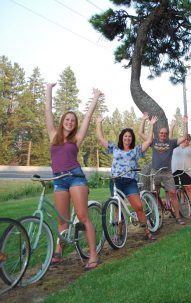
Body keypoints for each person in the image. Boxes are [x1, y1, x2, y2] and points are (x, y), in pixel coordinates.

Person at [45, 83, 101, 270]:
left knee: (82, 216)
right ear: (62, 121)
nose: (70, 122)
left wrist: (95, 98)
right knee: (62, 219)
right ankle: (59, 251)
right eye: (67, 119)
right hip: (59, 180)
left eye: (72, 120)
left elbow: (87, 118)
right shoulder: (53, 135)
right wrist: (49, 90)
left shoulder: (77, 138)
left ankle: (93, 255)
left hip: (75, 177)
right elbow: (48, 111)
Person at [96, 114, 158, 241]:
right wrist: (99, 123)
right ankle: (119, 234)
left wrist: (150, 125)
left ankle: (147, 231)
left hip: (129, 182)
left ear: (132, 139)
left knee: (138, 207)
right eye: (125, 136)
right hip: (115, 181)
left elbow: (148, 141)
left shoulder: (135, 151)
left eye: (130, 136)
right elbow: (100, 137)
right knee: (118, 207)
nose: (128, 138)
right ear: (122, 137)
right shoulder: (114, 148)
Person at [139, 113, 188, 225]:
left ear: (167, 134)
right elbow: (140, 133)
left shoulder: (171, 143)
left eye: (165, 133)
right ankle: (155, 217)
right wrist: (144, 121)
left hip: (167, 173)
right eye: (161, 133)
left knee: (172, 193)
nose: (163, 135)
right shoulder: (153, 141)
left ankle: (177, 216)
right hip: (155, 171)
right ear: (158, 134)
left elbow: (184, 137)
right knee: (153, 194)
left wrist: (184, 124)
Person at [170, 121, 191, 214]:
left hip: (186, 171)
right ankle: (176, 210)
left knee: (189, 188)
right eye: (185, 139)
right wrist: (172, 127)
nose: (186, 140)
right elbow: (170, 139)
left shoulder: (190, 148)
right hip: (175, 170)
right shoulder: (175, 147)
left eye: (188, 139)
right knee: (173, 191)